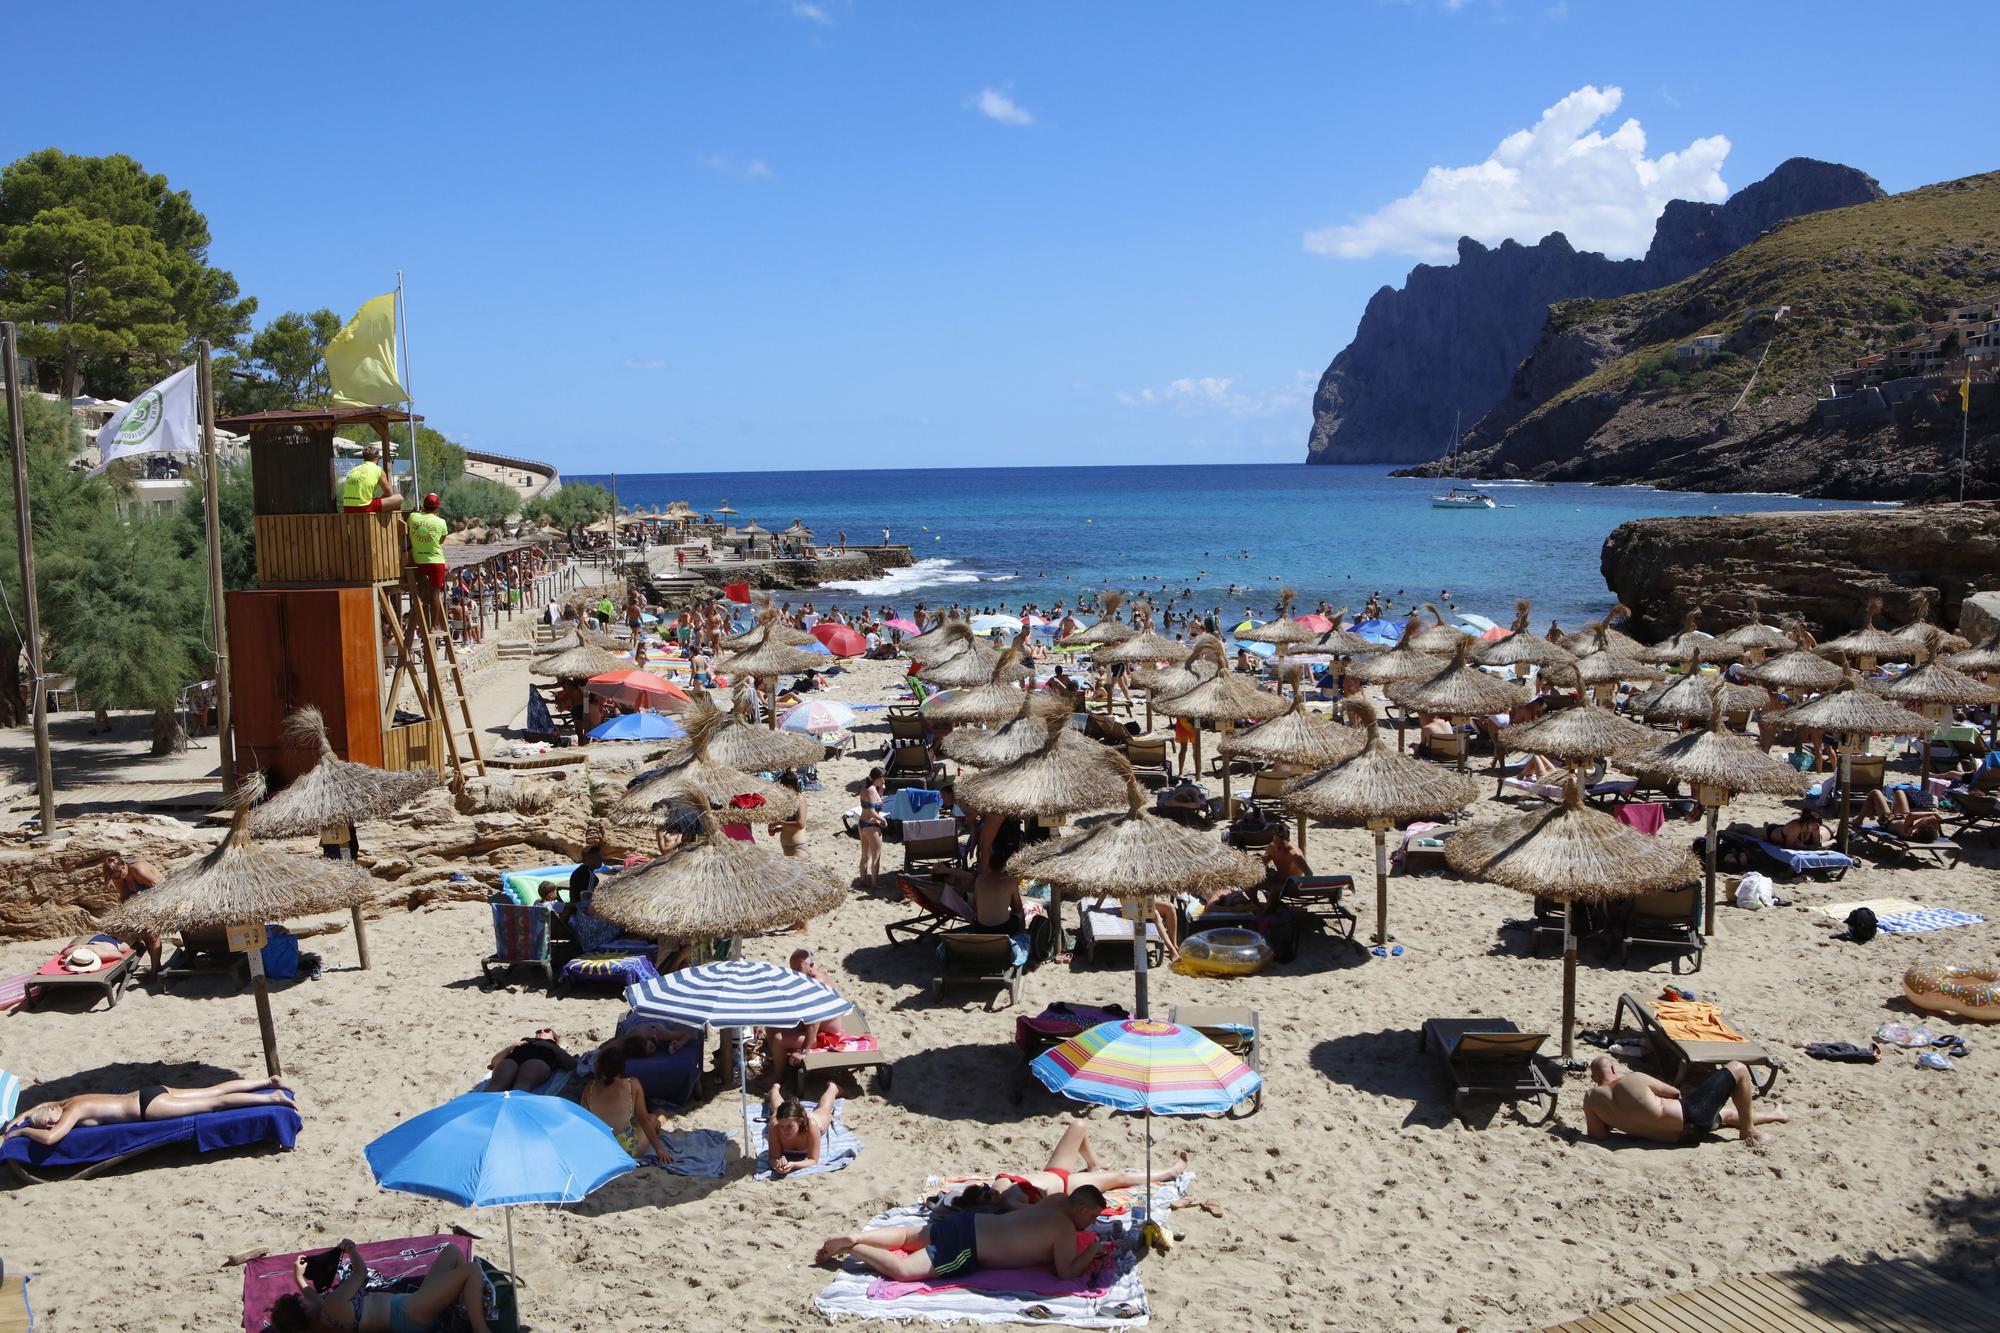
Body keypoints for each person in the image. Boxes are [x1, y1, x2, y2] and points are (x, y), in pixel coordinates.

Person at [815, 1186, 1112, 1282]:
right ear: (1081, 1209)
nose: (1092, 1223)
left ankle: (860, 1235)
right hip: (969, 1247)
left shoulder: (1057, 1199)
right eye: (1092, 1217)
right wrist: (1092, 1250)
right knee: (904, 1271)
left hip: (973, 1221)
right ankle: (853, 1247)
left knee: (908, 1236)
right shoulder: (1065, 1229)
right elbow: (1066, 1272)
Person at [952, 1119, 1188, 1211]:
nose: (989, 1191)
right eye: (986, 1196)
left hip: (1053, 1171)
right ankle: (1169, 1173)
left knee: (1078, 1126)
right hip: (1068, 1186)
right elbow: (1044, 1215)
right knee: (1120, 1177)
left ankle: (1093, 1164)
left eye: (984, 1188)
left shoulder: (998, 1186)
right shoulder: (1010, 1203)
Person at [268, 1237, 491, 1333]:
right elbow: (361, 1271)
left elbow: (312, 1299)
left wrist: (298, 1277)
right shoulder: (332, 1305)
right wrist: (350, 1249)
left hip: (408, 1311)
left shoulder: (320, 1321)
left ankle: (464, 1302)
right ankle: (481, 1329)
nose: (304, 1296)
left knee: (452, 1251)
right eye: (301, 1300)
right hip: (409, 1312)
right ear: (304, 1309)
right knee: (471, 1270)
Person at [5, 1075, 294, 1146]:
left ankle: (272, 1098)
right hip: (149, 1092)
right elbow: (41, 1108)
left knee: (213, 1105)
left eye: (48, 1120)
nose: (50, 1124)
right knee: (213, 1091)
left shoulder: (72, 1112)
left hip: (149, 1107)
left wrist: (22, 1133)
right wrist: (24, 1115)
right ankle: (267, 1082)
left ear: (53, 1112)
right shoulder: (69, 1101)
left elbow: (51, 1139)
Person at [1581, 1056, 1787, 1146]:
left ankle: (1776, 1115)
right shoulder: (1633, 1078)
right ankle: (1748, 1131)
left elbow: (1598, 1135)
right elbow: (1674, 1093)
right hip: (1692, 1117)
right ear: (1613, 1069)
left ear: (1593, 1078)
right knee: (1739, 1068)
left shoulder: (1591, 1099)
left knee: (1725, 1115)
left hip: (1681, 1138)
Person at [580, 1047, 671, 1162]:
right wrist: (659, 1150)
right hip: (626, 1150)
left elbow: (583, 1123)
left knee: (636, 1122)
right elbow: (644, 1120)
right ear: (622, 1067)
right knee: (653, 1118)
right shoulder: (632, 1084)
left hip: (601, 1150)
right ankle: (661, 1119)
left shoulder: (590, 1088)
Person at [101, 853, 164, 977]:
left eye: (119, 875)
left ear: (124, 866)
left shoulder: (138, 870)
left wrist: (144, 902)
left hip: (158, 899)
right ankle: (156, 965)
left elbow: (160, 888)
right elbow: (124, 897)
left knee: (152, 936)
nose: (118, 879)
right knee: (144, 935)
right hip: (140, 905)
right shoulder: (118, 876)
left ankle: (155, 970)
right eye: (114, 877)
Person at [766, 1083, 837, 1176]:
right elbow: (773, 1158)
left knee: (824, 1109)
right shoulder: (776, 1125)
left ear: (800, 1121)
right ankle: (774, 1090)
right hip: (786, 1119)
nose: (785, 1130)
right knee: (777, 1109)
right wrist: (778, 1165)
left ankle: (833, 1087)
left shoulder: (811, 1125)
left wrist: (794, 1165)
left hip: (814, 1123)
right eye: (782, 1126)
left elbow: (813, 1160)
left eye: (789, 1126)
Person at [406, 492, 450, 635]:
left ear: (423, 505)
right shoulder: (441, 522)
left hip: (419, 561)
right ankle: (434, 626)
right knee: (435, 594)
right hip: (436, 562)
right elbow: (441, 541)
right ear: (437, 508)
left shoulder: (413, 517)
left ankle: (424, 613)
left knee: (426, 591)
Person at [485, 1027, 576, 1092]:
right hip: (512, 1060)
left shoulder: (555, 1047)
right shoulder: (525, 1041)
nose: (542, 1031)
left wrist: (552, 1046)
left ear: (554, 1038)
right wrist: (511, 1047)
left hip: (537, 1063)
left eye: (547, 1030)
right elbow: (494, 1062)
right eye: (538, 1031)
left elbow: (571, 1064)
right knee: (498, 1082)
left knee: (530, 1070)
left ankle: (516, 1100)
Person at [338, 442, 403, 513]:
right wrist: (381, 499)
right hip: (364, 507)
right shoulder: (378, 470)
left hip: (347, 508)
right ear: (377, 457)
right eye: (380, 458)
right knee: (399, 498)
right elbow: (389, 493)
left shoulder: (354, 469)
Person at [1863, 788, 1945, 840]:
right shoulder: (1928, 834)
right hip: (1902, 817)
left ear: (1918, 831)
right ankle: (1888, 805)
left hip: (1887, 821)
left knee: (1875, 792)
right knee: (1899, 792)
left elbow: (1911, 815)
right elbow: (1933, 818)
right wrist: (1914, 826)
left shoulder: (1907, 833)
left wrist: (1933, 813)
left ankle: (1858, 820)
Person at [856, 767, 886, 890]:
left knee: (864, 856)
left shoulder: (865, 788)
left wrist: (881, 791)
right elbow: (872, 812)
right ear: (877, 778)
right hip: (871, 826)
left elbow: (874, 803)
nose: (883, 780)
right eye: (882, 778)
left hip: (862, 824)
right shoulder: (872, 790)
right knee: (876, 857)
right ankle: (874, 884)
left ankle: (863, 880)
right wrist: (882, 819)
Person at [768, 770, 808, 857]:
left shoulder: (800, 799)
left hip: (798, 848)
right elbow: (790, 826)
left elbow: (800, 824)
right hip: (787, 849)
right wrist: (777, 829)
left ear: (790, 786)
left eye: (783, 787)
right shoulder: (788, 800)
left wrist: (779, 822)